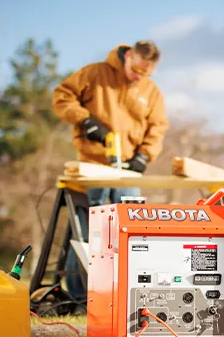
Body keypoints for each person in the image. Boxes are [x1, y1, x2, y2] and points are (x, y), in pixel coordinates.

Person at [52, 40, 169, 300]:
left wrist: (143, 156)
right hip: (92, 165)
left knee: (132, 229)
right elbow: (62, 97)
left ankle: (125, 295)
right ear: (128, 56)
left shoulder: (150, 91)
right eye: (136, 70)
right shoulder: (95, 74)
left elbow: (158, 129)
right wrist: (86, 121)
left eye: (145, 73)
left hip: (127, 170)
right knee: (88, 230)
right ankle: (81, 297)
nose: (138, 76)